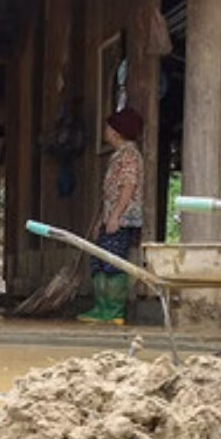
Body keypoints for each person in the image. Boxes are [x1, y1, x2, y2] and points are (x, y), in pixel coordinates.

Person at [79, 108, 145, 324]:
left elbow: (128, 187)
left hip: (122, 219)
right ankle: (101, 308)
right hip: (111, 217)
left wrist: (115, 216)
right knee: (99, 260)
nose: (105, 131)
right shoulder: (118, 155)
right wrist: (103, 219)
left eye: (108, 127)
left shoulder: (129, 156)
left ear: (117, 132)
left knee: (113, 262)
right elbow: (110, 194)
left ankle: (114, 312)